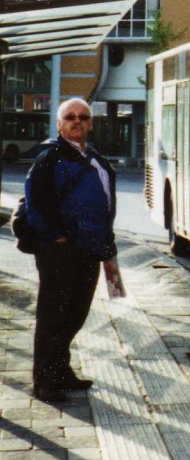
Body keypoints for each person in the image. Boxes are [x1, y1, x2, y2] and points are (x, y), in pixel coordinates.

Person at [25, 98, 119, 403]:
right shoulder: (50, 157)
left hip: (89, 248)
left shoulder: (93, 157)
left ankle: (61, 370)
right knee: (54, 315)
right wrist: (56, 237)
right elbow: (35, 201)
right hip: (60, 251)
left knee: (75, 313)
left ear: (91, 123)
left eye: (83, 117)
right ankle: (45, 381)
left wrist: (107, 245)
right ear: (59, 124)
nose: (77, 121)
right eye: (70, 117)